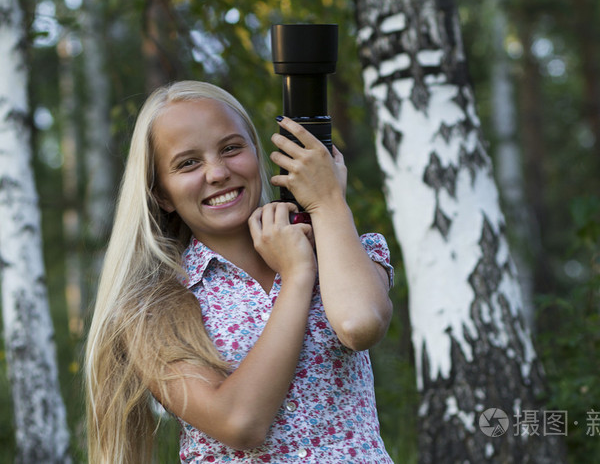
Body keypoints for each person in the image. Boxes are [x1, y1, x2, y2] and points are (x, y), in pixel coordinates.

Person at [84, 80, 394, 463]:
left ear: (258, 155)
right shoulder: (153, 307)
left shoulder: (336, 247)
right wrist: (296, 278)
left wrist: (328, 201)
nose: (217, 173)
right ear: (162, 194)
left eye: (231, 148)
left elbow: (361, 324)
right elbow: (239, 422)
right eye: (188, 163)